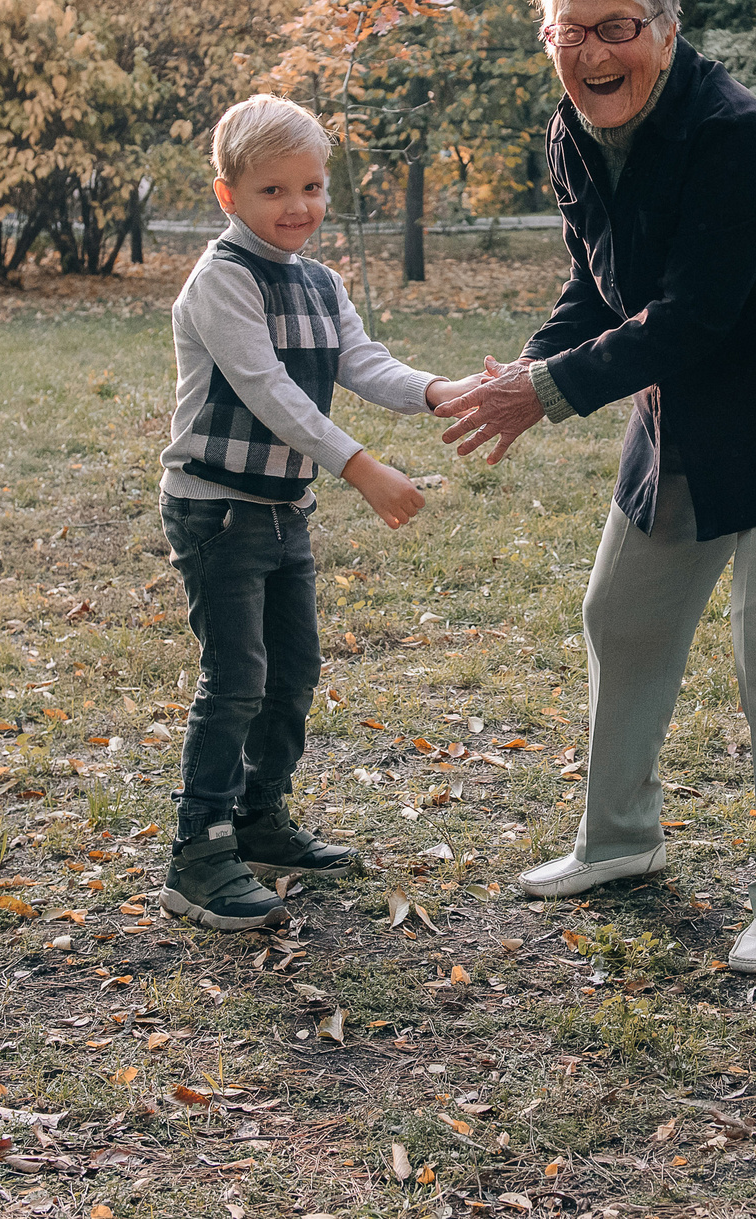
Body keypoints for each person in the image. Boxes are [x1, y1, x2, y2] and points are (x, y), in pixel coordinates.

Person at [436, 0, 756, 974]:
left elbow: (694, 315)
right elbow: (597, 285)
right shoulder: (570, 134)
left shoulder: (730, 132)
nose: (593, 52)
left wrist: (542, 395)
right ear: (548, 40)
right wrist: (524, 370)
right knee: (622, 614)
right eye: (571, 31)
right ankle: (619, 842)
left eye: (617, 28)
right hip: (675, 412)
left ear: (665, 32)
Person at [160, 94, 487, 931]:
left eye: (311, 185)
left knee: (291, 674)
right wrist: (361, 465)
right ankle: (198, 851)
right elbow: (267, 389)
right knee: (234, 680)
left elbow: (362, 361)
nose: (298, 206)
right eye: (273, 190)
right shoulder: (221, 282)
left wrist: (438, 392)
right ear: (228, 195)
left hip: (280, 511)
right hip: (218, 513)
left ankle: (262, 818)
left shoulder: (318, 279)